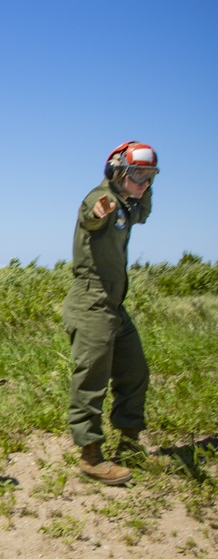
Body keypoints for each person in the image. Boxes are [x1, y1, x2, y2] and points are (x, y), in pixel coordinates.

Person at [62, 141, 159, 485]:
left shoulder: (129, 204)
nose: (144, 182)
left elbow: (142, 213)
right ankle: (90, 458)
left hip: (115, 304)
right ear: (117, 171)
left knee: (135, 372)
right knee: (91, 381)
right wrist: (99, 211)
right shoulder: (100, 198)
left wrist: (141, 190)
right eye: (137, 174)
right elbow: (91, 215)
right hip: (91, 301)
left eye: (150, 176)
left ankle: (130, 446)